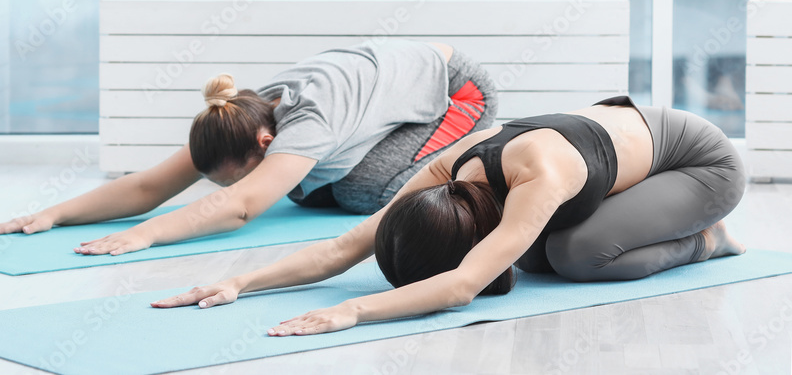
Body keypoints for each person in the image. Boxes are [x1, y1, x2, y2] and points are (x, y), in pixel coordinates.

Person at [152, 96, 746, 336]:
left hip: (699, 163)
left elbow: (461, 287)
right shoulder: (445, 173)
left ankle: (706, 240)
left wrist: (350, 310)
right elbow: (343, 247)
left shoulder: (539, 176)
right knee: (530, 256)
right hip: (619, 155)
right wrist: (240, 282)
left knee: (569, 256)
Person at [0, 38, 498, 256]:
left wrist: (147, 236)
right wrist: (54, 215)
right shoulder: (236, 116)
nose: (230, 185)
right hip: (380, 98)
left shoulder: (308, 121)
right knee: (306, 190)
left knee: (363, 193)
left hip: (457, 93)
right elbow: (148, 185)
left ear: (268, 142)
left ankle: (493, 153)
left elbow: (243, 206)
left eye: (238, 174)